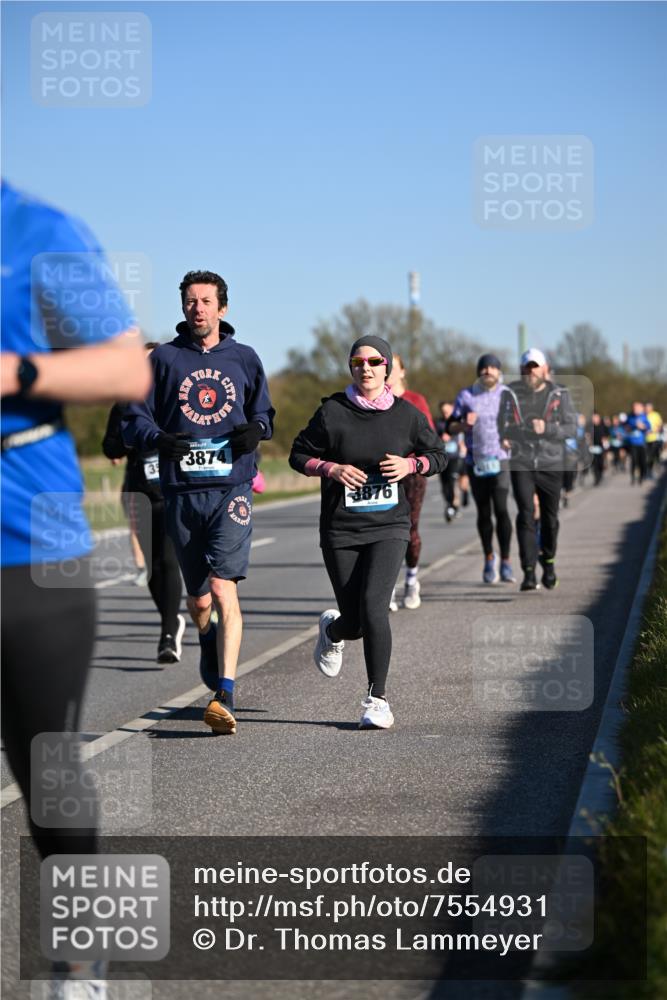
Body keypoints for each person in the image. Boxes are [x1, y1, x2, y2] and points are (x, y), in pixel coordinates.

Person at [1, 180, 151, 993]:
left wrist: (14, 371)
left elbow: (129, 367)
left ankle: (80, 958)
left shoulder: (36, 228)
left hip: (30, 544)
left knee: (47, 768)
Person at [122, 270, 275, 735]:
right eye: (190, 301)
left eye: (205, 301)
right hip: (182, 493)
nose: (197, 308)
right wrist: (158, 439)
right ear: (183, 307)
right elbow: (133, 419)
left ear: (222, 308)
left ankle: (224, 691)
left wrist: (257, 430)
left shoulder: (244, 358)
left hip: (232, 489)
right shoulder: (163, 360)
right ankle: (206, 637)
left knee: (224, 586)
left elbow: (263, 413)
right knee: (199, 597)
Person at [289, 336, 446, 729]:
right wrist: (331, 469)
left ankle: (377, 699)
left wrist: (412, 467)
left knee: (376, 607)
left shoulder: (407, 415)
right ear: (351, 367)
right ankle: (333, 629)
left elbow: (439, 455)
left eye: (376, 362)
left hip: (390, 525)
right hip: (341, 528)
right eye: (358, 362)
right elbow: (298, 454)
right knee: (355, 621)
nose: (367, 368)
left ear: (388, 367)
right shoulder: (332, 413)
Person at [102, 343, 186, 663]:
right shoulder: (125, 402)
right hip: (138, 490)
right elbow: (110, 447)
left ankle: (167, 633)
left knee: (167, 560)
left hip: (170, 490)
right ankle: (171, 618)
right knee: (151, 566)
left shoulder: (177, 397)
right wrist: (130, 437)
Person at [498, 348, 576, 591]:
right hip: (522, 462)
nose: (531, 371)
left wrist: (548, 429)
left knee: (550, 520)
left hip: (551, 463)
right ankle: (529, 571)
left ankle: (549, 562)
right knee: (526, 513)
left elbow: (571, 427)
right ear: (522, 370)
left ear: (545, 369)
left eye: (535, 367)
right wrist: (505, 437)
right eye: (526, 367)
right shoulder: (511, 393)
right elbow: (502, 424)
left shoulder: (560, 394)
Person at [448, 354, 515, 584]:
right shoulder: (466, 395)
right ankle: (489, 558)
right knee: (484, 513)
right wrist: (464, 424)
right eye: (484, 368)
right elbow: (451, 426)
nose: (488, 371)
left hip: (501, 460)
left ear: (499, 372)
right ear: (478, 372)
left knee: (502, 509)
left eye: (493, 368)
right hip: (475, 462)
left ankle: (506, 561)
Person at [385, 353, 435, 610]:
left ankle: (412, 579)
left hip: (412, 475)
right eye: (385, 365)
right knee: (384, 533)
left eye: (394, 367)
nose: (389, 371)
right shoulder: (373, 401)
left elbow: (429, 439)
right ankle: (387, 588)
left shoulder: (415, 401)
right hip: (382, 475)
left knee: (409, 530)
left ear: (402, 372)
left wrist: (410, 461)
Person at [434, 401, 465, 521]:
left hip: (455, 457)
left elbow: (463, 433)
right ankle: (449, 504)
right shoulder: (438, 423)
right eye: (443, 412)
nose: (446, 414)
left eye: (448, 411)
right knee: (444, 484)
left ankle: (453, 505)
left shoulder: (458, 421)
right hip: (442, 457)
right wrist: (440, 439)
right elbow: (432, 437)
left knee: (452, 480)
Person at [623, 402, 651, 486]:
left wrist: (643, 427)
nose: (635, 410)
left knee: (642, 462)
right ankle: (632, 478)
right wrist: (633, 426)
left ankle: (641, 477)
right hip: (632, 443)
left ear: (641, 408)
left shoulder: (644, 416)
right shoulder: (630, 417)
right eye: (634, 408)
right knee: (634, 461)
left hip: (641, 443)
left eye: (637, 408)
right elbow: (625, 426)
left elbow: (648, 427)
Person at [587, 412, 609, 487]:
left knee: (600, 463)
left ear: (599, 418)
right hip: (593, 447)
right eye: (593, 418)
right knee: (594, 464)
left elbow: (607, 435)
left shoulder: (603, 426)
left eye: (596, 417)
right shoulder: (590, 427)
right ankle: (596, 479)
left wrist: (605, 439)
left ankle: (600, 475)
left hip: (601, 447)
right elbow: (587, 435)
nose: (595, 419)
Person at [644, 402, 663, 478]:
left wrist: (652, 431)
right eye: (646, 407)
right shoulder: (643, 415)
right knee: (646, 456)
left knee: (651, 456)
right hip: (644, 439)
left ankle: (650, 470)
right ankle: (647, 471)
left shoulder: (656, 415)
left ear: (652, 408)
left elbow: (659, 426)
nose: (647, 409)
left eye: (648, 407)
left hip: (654, 439)